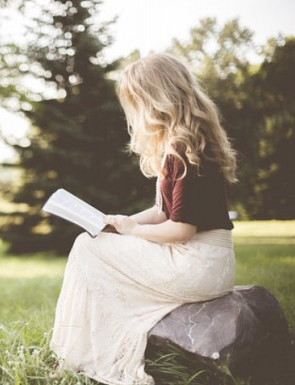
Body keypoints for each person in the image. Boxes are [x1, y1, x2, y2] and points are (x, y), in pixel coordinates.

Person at [49, 53, 238, 385]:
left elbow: (181, 229)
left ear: (156, 99)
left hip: (197, 262)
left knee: (86, 248)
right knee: (95, 243)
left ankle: (77, 356)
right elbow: (164, 213)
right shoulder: (187, 141)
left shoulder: (181, 147)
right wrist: (122, 223)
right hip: (210, 260)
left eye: (137, 101)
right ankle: (82, 352)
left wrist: (134, 231)